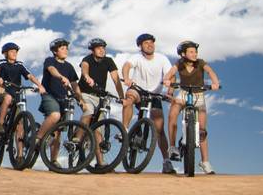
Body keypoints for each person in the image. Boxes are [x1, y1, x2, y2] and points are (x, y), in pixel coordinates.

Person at [163, 41, 221, 174]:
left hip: (198, 95)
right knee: (172, 115)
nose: (194, 54)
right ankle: (172, 147)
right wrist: (167, 79)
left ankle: (205, 162)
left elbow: (210, 71)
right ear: (183, 54)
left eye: (195, 52)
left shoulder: (200, 63)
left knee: (202, 130)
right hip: (183, 94)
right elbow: (170, 73)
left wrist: (215, 83)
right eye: (191, 52)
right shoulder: (179, 64)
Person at [121, 33, 175, 174]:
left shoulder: (162, 58)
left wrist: (169, 91)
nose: (150, 45)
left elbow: (171, 75)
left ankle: (166, 161)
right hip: (138, 90)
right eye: (146, 43)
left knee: (159, 129)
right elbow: (127, 66)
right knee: (128, 100)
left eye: (151, 42)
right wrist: (126, 78)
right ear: (140, 46)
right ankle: (124, 130)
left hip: (154, 95)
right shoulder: (137, 57)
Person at [34, 38, 86, 165]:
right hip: (49, 96)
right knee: (55, 115)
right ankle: (37, 139)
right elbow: (52, 70)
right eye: (62, 48)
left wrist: (80, 99)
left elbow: (74, 85)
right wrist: (61, 77)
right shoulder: (50, 60)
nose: (65, 50)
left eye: (66, 48)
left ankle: (53, 160)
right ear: (55, 51)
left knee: (58, 132)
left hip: (64, 100)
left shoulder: (69, 67)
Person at [0, 42, 45, 161]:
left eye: (16, 52)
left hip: (16, 94)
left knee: (20, 124)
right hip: (3, 90)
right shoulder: (2, 63)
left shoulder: (20, 65)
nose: (14, 53)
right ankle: (0, 124)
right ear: (5, 53)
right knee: (7, 98)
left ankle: (20, 155)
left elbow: (30, 76)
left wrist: (39, 85)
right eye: (12, 51)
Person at [78, 38, 125, 168]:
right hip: (85, 94)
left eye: (103, 48)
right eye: (99, 48)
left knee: (99, 128)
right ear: (92, 50)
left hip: (100, 97)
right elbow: (84, 68)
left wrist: (122, 97)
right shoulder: (87, 59)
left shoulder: (108, 61)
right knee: (89, 111)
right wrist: (86, 76)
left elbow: (116, 79)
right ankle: (76, 139)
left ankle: (100, 162)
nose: (102, 50)